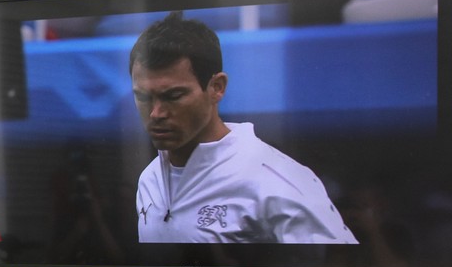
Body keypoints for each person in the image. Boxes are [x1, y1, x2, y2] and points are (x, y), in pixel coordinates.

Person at [130, 13, 357, 244]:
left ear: (217, 88)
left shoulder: (276, 179)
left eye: (173, 96)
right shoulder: (150, 178)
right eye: (143, 97)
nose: (156, 113)